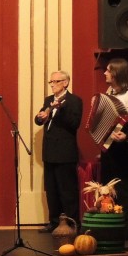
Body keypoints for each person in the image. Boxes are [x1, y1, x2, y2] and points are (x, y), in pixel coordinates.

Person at [33, 70, 83, 231]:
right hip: (49, 152)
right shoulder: (49, 100)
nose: (52, 85)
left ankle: (71, 222)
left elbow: (74, 123)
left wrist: (60, 109)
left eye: (56, 81)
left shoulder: (74, 101)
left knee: (67, 191)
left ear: (65, 83)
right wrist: (40, 117)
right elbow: (39, 120)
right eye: (51, 82)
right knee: (52, 190)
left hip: (65, 153)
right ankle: (54, 222)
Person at [100, 58, 128, 238]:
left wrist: (127, 135)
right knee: (109, 185)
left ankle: (127, 229)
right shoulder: (109, 92)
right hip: (110, 145)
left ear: (117, 73)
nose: (105, 73)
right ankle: (112, 224)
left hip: (125, 145)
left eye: (108, 70)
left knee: (124, 185)